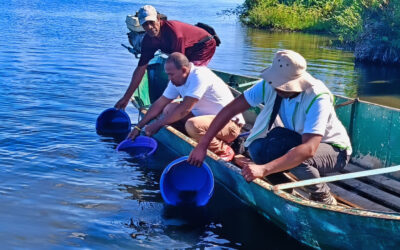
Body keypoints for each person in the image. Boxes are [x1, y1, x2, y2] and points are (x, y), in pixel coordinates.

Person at [188, 50, 352, 205]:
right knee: (257, 148)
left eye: (283, 86)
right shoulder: (270, 85)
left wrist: (264, 170)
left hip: (334, 150)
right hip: (295, 138)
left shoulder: (317, 97)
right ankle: (286, 191)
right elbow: (230, 110)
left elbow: (308, 149)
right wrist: (202, 145)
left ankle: (322, 195)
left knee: (300, 157)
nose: (277, 88)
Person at [127, 52, 245, 161]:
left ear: (184, 70)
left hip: (230, 125)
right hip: (205, 120)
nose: (169, 78)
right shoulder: (177, 80)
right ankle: (197, 138)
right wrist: (138, 127)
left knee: (193, 125)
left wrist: (158, 124)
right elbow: (160, 103)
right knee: (169, 109)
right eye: (168, 75)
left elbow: (185, 109)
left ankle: (224, 149)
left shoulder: (199, 76)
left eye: (171, 74)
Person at [115, 5, 217, 110]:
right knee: (179, 78)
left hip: (204, 45)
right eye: (145, 24)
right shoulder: (148, 40)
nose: (149, 27)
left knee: (189, 75)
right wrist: (126, 98)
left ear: (158, 20)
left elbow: (179, 68)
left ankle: (182, 106)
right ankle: (176, 103)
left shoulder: (174, 33)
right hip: (186, 49)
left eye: (151, 22)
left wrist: (170, 99)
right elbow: (141, 68)